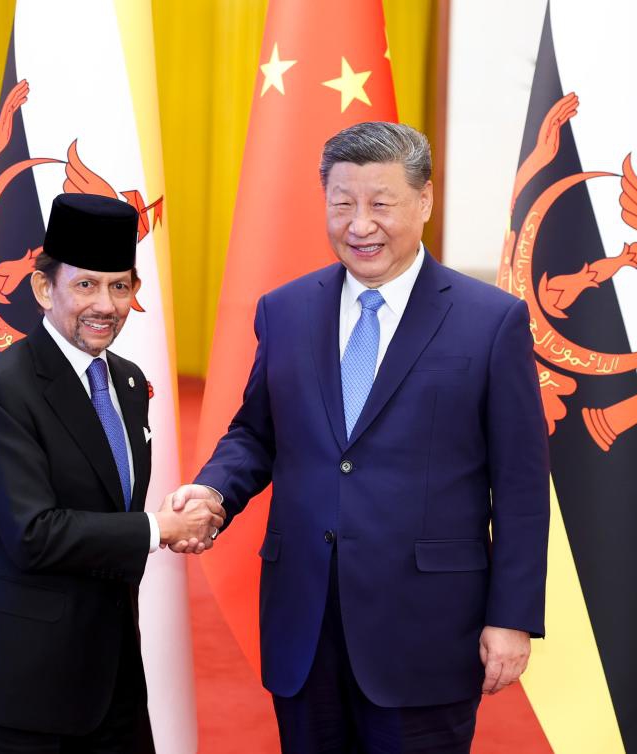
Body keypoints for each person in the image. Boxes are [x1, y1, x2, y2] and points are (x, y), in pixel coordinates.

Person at [168, 122, 550, 753]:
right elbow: (257, 433)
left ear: (424, 201)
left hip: (426, 630)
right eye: (342, 203)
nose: (359, 224)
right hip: (305, 622)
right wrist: (213, 491)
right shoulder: (285, 311)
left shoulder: (490, 322)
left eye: (381, 203)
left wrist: (511, 617)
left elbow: (520, 484)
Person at [0, 193, 224, 753]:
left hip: (112, 669)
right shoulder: (3, 388)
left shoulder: (129, 383)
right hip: (28, 672)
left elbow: (112, 506)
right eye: (85, 285)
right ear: (44, 288)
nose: (105, 304)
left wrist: (173, 517)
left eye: (120, 286)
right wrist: (159, 530)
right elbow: (34, 534)